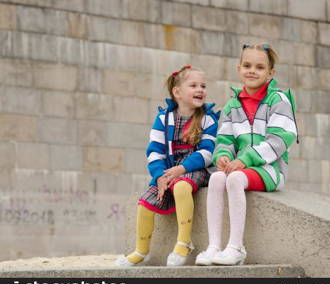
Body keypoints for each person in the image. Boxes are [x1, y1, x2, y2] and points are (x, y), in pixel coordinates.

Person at [195, 43, 298, 266]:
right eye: (247, 65)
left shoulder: (279, 100)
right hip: (241, 166)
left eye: (260, 67)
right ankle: (214, 246)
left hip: (270, 170)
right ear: (239, 68)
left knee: (234, 178)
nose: (252, 71)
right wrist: (222, 155)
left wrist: (245, 159)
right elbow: (225, 139)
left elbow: (281, 140)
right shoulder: (233, 104)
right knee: (216, 176)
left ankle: (236, 247)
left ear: (271, 73)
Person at [116, 65, 219, 266]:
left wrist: (181, 169)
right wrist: (159, 177)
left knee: (181, 186)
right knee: (145, 201)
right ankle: (141, 251)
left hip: (195, 171)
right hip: (168, 173)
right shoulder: (164, 118)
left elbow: (207, 153)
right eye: (194, 85)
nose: (200, 90)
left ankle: (183, 242)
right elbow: (155, 151)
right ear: (177, 92)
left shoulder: (207, 119)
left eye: (203, 86)